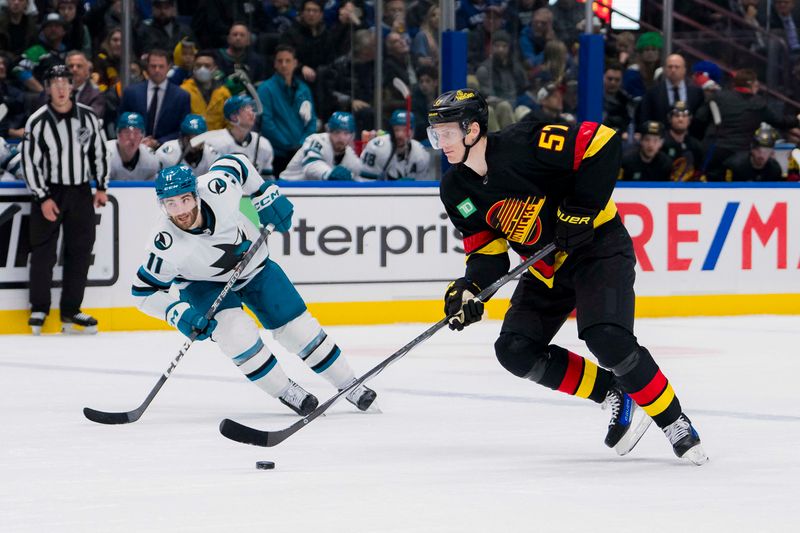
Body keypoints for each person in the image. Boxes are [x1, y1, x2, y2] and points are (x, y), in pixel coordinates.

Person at [426, 88, 708, 465]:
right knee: (514, 350)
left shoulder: (525, 141)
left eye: (446, 133)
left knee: (607, 338)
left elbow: (603, 144)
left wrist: (581, 210)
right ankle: (614, 393)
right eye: (436, 134)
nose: (440, 143)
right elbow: (487, 254)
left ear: (473, 129)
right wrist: (470, 287)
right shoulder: (456, 188)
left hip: (598, 248)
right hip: (546, 269)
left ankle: (673, 421)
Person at [132, 155, 378, 415]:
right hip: (202, 285)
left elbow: (236, 162)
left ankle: (349, 383)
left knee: (299, 330)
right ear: (162, 206)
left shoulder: (218, 189)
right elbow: (143, 293)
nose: (180, 211)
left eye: (185, 200)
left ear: (196, 195)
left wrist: (264, 194)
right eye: (170, 204)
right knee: (235, 336)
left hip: (254, 267)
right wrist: (178, 314)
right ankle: (286, 391)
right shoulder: (164, 243)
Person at [21, 64, 109, 335]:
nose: (60, 87)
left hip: (81, 191)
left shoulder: (89, 117)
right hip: (50, 192)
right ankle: (40, 307)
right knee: (43, 253)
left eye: (65, 81)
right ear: (48, 87)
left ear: (72, 85)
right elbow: (30, 162)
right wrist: (42, 196)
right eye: (55, 82)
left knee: (80, 252)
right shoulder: (37, 121)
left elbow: (99, 152)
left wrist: (101, 186)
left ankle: (71, 310)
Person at [257, 44, 316, 176]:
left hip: (301, 154)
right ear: (275, 64)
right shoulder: (265, 89)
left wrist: (302, 145)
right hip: (277, 155)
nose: (284, 64)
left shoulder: (304, 89)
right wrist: (288, 145)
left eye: (288, 61)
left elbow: (312, 121)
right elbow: (266, 123)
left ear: (295, 63)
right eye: (280, 61)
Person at [119, 49, 192, 148]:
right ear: (147, 67)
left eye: (161, 66)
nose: (157, 70)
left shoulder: (181, 96)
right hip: (135, 148)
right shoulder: (131, 93)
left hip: (168, 150)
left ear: (168, 67)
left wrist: (158, 142)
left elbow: (183, 130)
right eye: (153, 66)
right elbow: (121, 122)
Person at [193, 95, 274, 180]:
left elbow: (267, 180)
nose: (251, 113)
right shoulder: (213, 141)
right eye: (245, 109)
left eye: (251, 109)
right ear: (234, 117)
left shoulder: (263, 144)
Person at [280, 111, 361, 181]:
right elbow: (311, 166)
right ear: (329, 131)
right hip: (287, 187)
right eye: (337, 132)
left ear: (351, 135)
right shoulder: (316, 140)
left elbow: (359, 172)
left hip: (312, 192)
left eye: (346, 133)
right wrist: (329, 174)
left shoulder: (349, 153)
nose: (341, 137)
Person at [359, 110, 430, 181]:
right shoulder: (375, 148)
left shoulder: (421, 154)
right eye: (396, 130)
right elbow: (364, 183)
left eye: (405, 130)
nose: (400, 135)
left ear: (413, 131)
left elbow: (421, 187)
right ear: (391, 130)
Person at [180, 49, 230, 131]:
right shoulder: (183, 90)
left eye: (207, 66)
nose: (202, 69)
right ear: (193, 67)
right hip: (192, 139)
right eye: (198, 65)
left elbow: (228, 122)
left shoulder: (224, 93)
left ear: (215, 68)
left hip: (217, 140)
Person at [107, 112, 161, 181]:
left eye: (136, 133)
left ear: (142, 137)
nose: (132, 138)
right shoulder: (104, 154)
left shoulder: (150, 161)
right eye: (127, 133)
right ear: (118, 134)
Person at [661, 101, 704, 181]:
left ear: (689, 120)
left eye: (684, 116)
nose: (680, 119)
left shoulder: (695, 146)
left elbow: (699, 172)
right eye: (677, 116)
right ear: (670, 119)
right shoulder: (661, 143)